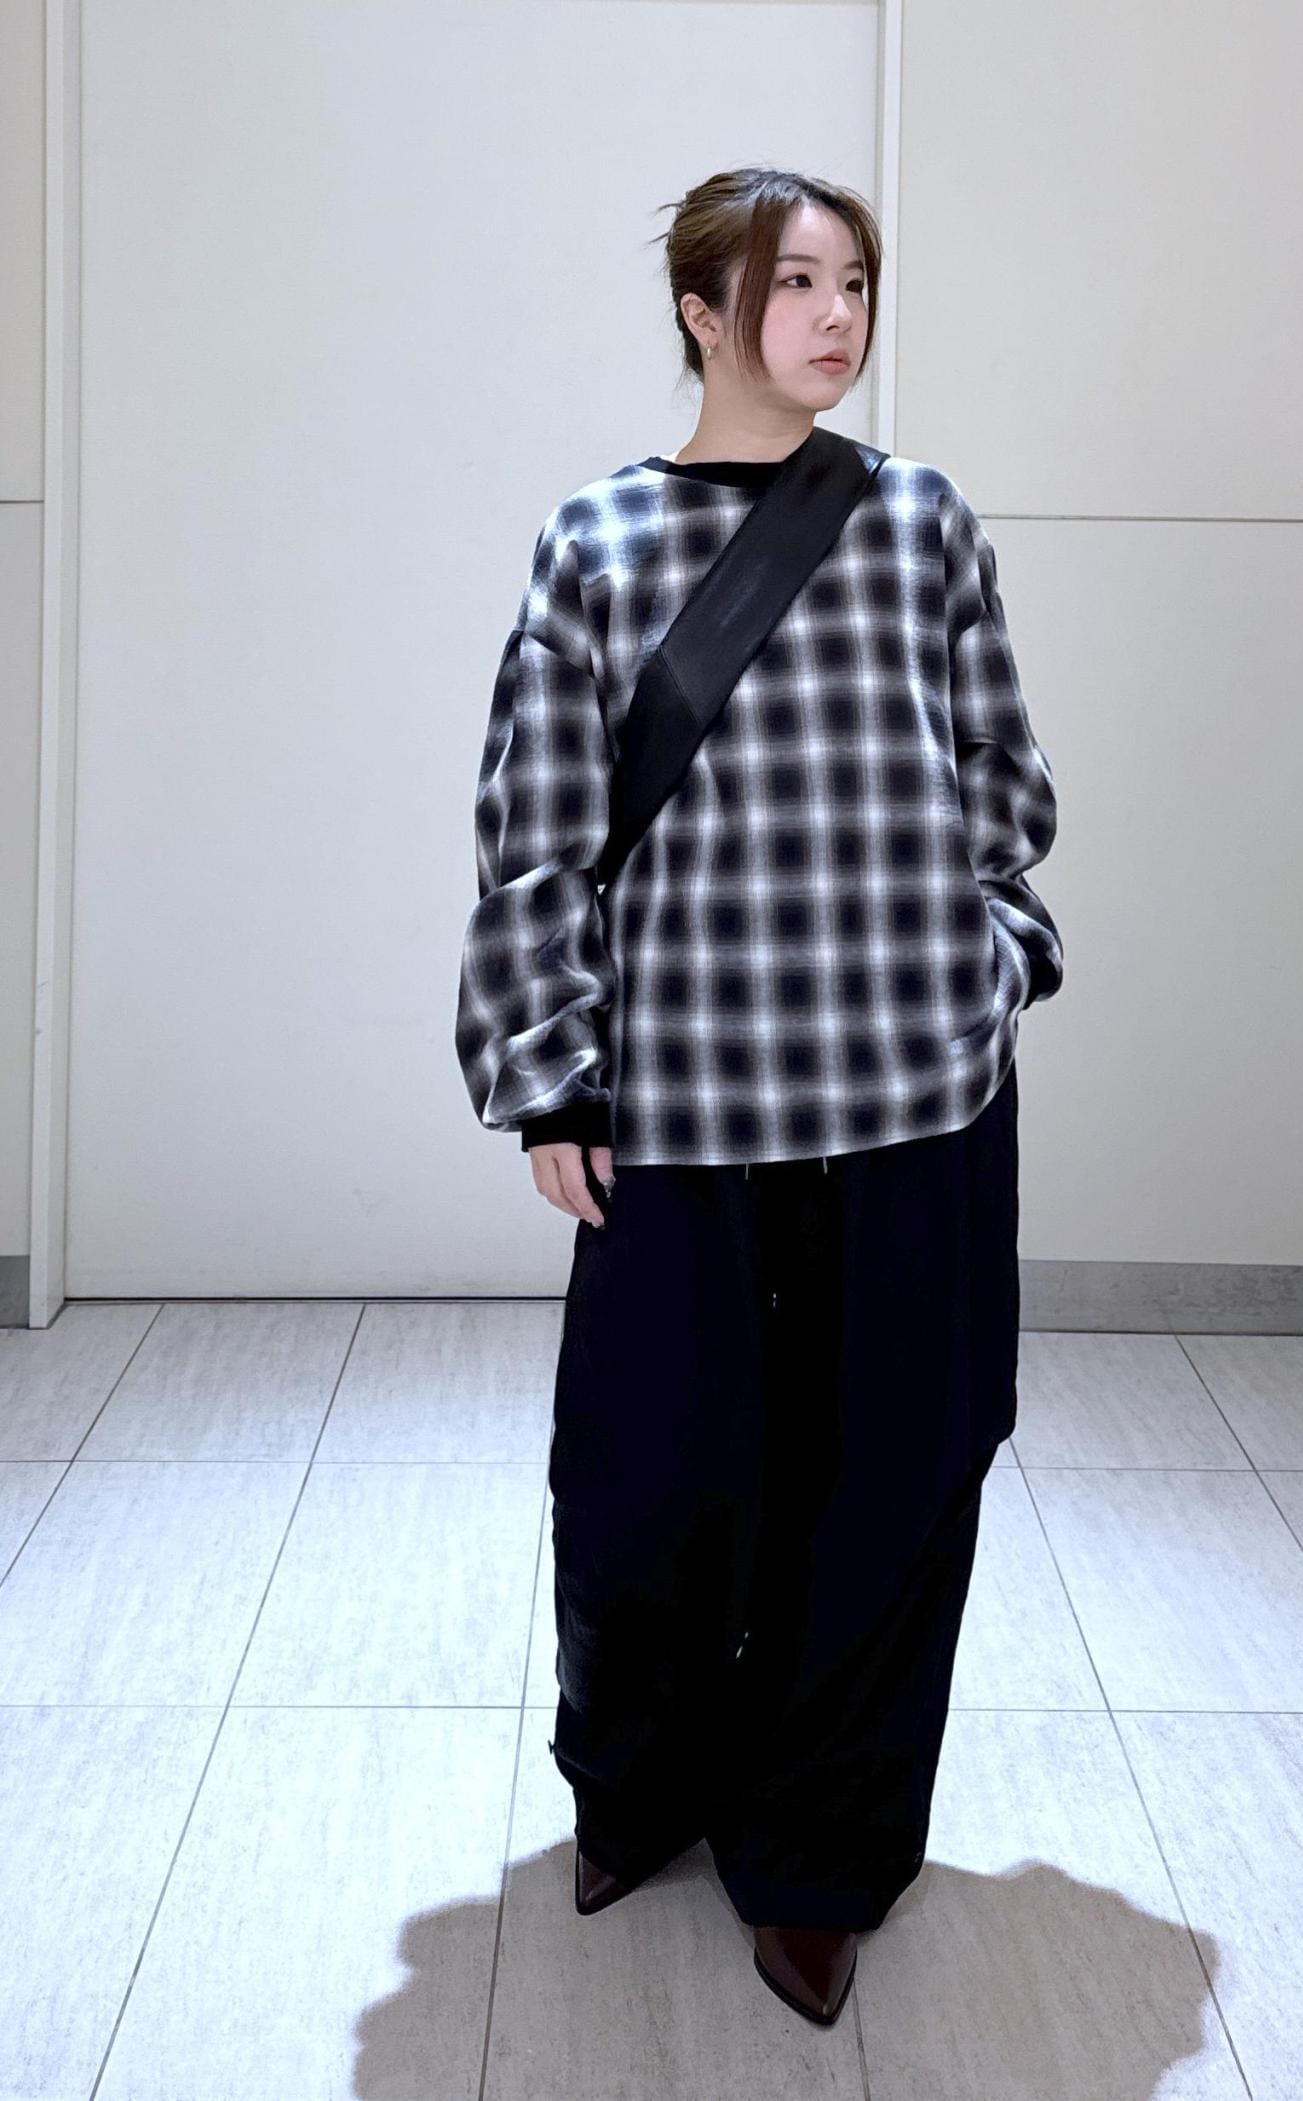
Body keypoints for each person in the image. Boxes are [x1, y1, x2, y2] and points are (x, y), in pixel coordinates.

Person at [455, 165, 1064, 2027]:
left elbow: (1003, 774)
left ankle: (822, 1853)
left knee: (891, 1483)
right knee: (648, 1479)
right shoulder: (597, 539)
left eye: (855, 283)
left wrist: (993, 952)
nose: (836, 317)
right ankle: (639, 1783)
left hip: (914, 1102)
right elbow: (535, 831)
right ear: (703, 312)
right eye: (795, 283)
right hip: (686, 1108)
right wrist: (551, 1073)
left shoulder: (920, 520)